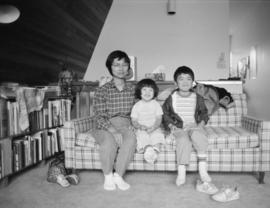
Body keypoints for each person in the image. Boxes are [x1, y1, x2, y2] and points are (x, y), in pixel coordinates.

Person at [162, 66, 218, 194]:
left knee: (199, 136)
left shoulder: (197, 97)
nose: (185, 82)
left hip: (194, 126)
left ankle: (202, 170)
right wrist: (171, 126)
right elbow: (165, 114)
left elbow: (204, 113)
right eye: (181, 79)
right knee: (183, 140)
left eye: (188, 79)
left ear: (193, 82)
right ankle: (181, 173)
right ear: (175, 82)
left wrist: (200, 125)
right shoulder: (172, 97)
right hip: (179, 127)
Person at [92, 50, 136, 191]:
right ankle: (108, 176)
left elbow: (139, 109)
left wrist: (135, 125)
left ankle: (118, 175)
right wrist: (112, 130)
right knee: (109, 141)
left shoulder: (133, 89)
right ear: (110, 67)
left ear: (129, 68)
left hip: (125, 124)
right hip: (104, 125)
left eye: (124, 65)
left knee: (130, 139)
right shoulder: (102, 90)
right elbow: (99, 115)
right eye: (117, 65)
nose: (121, 68)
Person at [131, 79, 165, 164]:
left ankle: (155, 150)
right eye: (144, 89)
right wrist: (140, 126)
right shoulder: (137, 106)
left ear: (154, 92)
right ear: (139, 92)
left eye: (150, 90)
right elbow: (134, 120)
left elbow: (158, 119)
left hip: (154, 127)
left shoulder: (156, 104)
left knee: (158, 135)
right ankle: (148, 149)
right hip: (142, 128)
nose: (147, 92)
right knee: (142, 136)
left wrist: (154, 127)